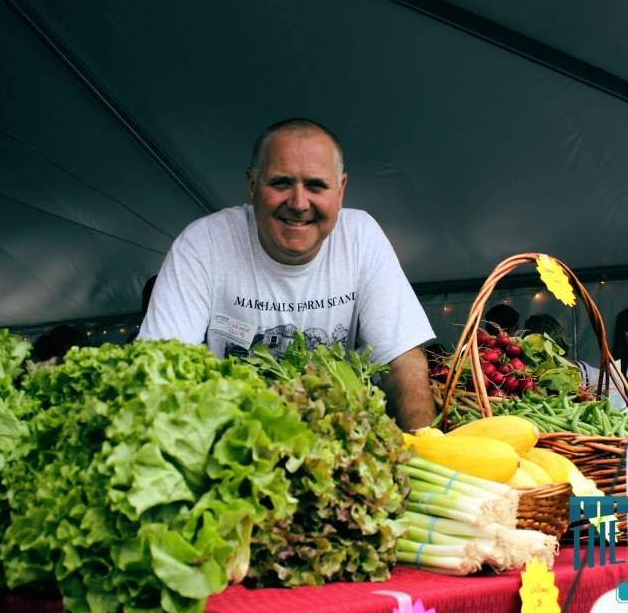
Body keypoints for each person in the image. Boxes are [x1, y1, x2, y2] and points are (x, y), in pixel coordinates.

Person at [139, 118, 435, 430]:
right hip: (230, 448)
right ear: (252, 185)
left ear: (341, 190)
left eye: (316, 185)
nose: (298, 203)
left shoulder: (361, 237)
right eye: (281, 183)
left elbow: (402, 362)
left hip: (341, 450)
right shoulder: (203, 244)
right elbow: (160, 368)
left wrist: (426, 447)